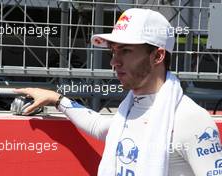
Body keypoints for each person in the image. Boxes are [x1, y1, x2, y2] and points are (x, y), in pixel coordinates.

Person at [14, 8, 222, 176]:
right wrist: (56, 99)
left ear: (157, 56)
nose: (114, 61)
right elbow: (98, 125)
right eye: (113, 51)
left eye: (126, 50)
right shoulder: (130, 110)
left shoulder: (191, 120)